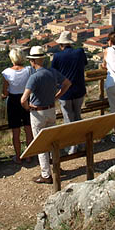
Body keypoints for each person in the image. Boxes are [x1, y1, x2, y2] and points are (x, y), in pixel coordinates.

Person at [21, 46, 71, 184]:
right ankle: (56, 167)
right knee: (52, 141)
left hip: (38, 112)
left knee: (41, 143)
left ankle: (46, 174)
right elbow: (67, 84)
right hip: (51, 110)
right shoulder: (52, 72)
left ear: (33, 61)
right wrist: (56, 97)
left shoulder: (34, 77)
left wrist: (28, 107)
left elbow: (23, 99)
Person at [51, 31, 87, 155]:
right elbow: (84, 65)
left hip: (64, 93)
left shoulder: (57, 57)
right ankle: (82, 144)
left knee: (68, 119)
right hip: (79, 90)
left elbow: (54, 74)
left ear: (61, 44)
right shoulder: (80, 52)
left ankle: (72, 147)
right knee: (78, 117)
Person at [1, 48, 34, 164]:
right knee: (28, 129)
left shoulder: (6, 73)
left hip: (13, 102)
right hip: (26, 99)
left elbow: (5, 92)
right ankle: (29, 155)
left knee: (16, 132)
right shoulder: (29, 70)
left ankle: (18, 157)